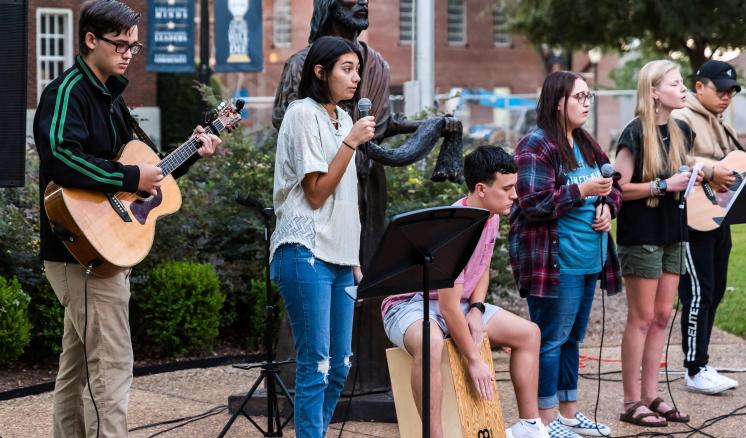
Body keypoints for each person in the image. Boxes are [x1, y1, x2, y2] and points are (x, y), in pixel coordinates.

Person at [32, 1, 222, 436]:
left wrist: (190, 153)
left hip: (96, 251)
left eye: (133, 48)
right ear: (90, 40)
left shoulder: (110, 98)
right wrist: (132, 175)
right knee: (112, 369)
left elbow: (144, 175)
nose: (127, 54)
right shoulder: (66, 93)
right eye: (120, 44)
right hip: (79, 250)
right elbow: (61, 156)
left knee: (76, 370)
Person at [382, 146, 548, 438]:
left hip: (457, 303)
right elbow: (447, 308)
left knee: (529, 334)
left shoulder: (491, 215)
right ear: (481, 189)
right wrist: (475, 360)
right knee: (431, 343)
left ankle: (529, 425)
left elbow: (482, 268)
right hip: (411, 303)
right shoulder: (454, 229)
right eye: (507, 188)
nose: (515, 195)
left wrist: (477, 308)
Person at [269, 35, 376, 438]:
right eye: (346, 69)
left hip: (340, 257)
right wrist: (350, 143)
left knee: (340, 364)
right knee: (316, 364)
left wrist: (354, 257)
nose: (356, 78)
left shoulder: (345, 120)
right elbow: (316, 193)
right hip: (305, 250)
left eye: (357, 69)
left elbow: (348, 197)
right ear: (320, 71)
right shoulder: (302, 114)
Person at [508, 71, 621, 438]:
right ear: (559, 102)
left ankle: (569, 415)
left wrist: (608, 208)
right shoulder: (535, 146)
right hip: (555, 265)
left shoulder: (587, 143)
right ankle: (543, 420)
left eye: (590, 97)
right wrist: (582, 189)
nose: (587, 103)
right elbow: (532, 203)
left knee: (573, 340)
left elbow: (613, 185)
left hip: (590, 260)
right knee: (551, 340)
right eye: (580, 97)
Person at [615, 60, 699, 427]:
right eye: (675, 83)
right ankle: (631, 401)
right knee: (642, 317)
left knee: (663, 317)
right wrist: (664, 186)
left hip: (673, 233)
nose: (683, 89)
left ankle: (652, 394)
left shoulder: (682, 131)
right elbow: (619, 188)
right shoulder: (634, 133)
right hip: (642, 236)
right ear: (653, 91)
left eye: (683, 83)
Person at [673, 60, 741, 395]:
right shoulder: (683, 118)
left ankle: (701, 360)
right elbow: (671, 159)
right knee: (698, 293)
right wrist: (712, 170)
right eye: (720, 89)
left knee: (713, 292)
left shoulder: (717, 121)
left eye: (731, 91)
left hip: (716, 217)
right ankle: (694, 368)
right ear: (699, 86)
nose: (726, 96)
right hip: (692, 221)